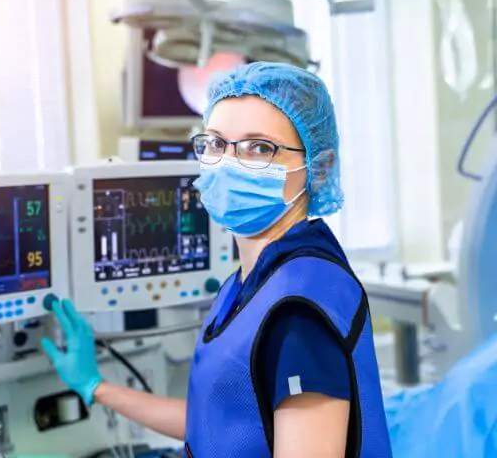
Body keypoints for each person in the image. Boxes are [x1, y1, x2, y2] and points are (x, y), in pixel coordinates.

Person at [41, 62, 392, 457]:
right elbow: (220, 423)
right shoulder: (248, 283)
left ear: (319, 168)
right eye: (215, 143)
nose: (227, 163)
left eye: (259, 147)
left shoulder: (298, 308)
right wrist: (95, 386)